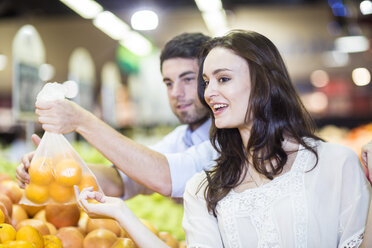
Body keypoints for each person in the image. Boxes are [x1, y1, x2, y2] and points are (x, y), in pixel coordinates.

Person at [74, 30, 371, 247]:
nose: (208, 93)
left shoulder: (334, 163)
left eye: (223, 79)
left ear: (264, 82)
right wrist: (121, 213)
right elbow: (134, 173)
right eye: (206, 82)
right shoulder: (204, 187)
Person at [16, 33, 215, 199]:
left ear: (209, 80)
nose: (175, 93)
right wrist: (56, 168)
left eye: (188, 79)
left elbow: (164, 177)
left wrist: (82, 120)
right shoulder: (182, 138)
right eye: (169, 83)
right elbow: (120, 180)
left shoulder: (228, 140)